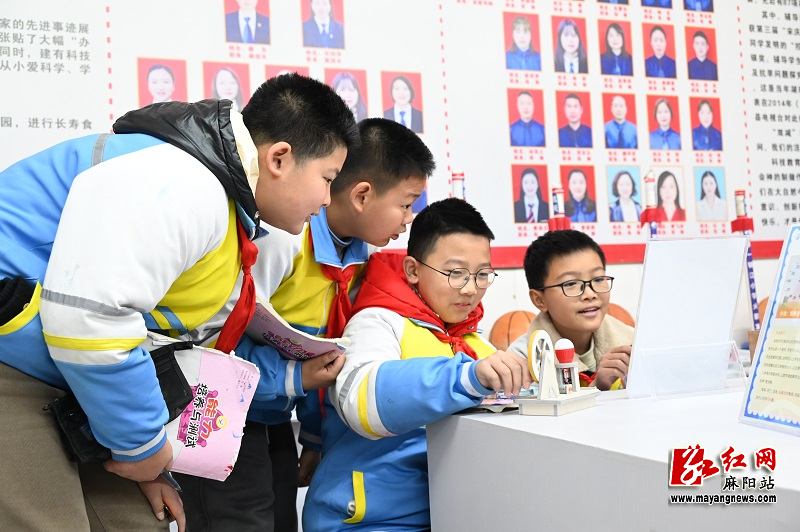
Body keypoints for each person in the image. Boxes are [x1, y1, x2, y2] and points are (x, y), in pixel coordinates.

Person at [0, 73, 359, 531]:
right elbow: (90, 320)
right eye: (327, 179)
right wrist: (142, 449)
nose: (326, 200)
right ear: (279, 158)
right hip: (16, 356)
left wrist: (146, 456)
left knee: (140, 522)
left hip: (66, 374)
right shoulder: (186, 182)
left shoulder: (224, 205)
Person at [177, 118, 435, 532]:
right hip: (218, 410)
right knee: (238, 521)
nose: (409, 219)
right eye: (406, 204)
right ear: (362, 195)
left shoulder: (359, 259)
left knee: (281, 520)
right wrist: (294, 377)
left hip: (273, 415)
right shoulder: (283, 238)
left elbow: (326, 352)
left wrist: (313, 436)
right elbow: (213, 340)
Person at [303, 198, 531, 531]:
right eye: (455, 273)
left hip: (450, 516)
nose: (471, 289)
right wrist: (466, 377)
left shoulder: (476, 346)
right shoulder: (375, 322)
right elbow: (362, 402)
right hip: (368, 521)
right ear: (413, 270)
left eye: (482, 275)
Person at [509, 230, 634, 391]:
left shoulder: (631, 341)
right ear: (540, 300)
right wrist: (598, 387)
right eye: (570, 284)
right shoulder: (522, 360)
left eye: (598, 279)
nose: (589, 294)